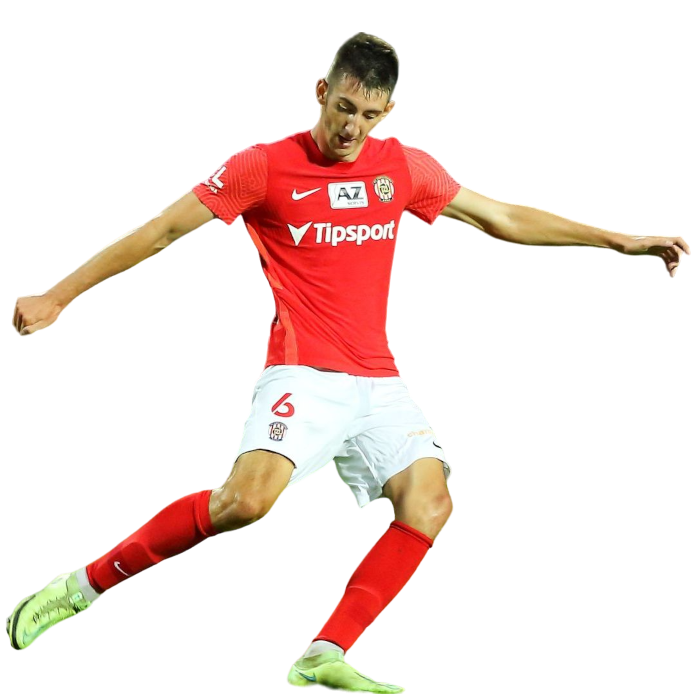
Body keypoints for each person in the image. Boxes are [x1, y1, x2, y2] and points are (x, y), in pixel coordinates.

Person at [7, 32, 691, 693]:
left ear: (387, 111)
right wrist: (58, 295)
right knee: (243, 504)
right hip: (302, 371)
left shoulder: (404, 168)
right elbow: (160, 232)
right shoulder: (262, 166)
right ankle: (80, 587)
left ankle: (324, 652)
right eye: (342, 108)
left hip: (378, 379)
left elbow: (503, 218)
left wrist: (620, 242)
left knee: (430, 503)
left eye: (368, 115)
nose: (351, 127)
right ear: (320, 91)